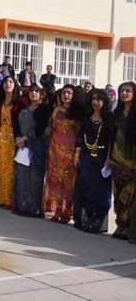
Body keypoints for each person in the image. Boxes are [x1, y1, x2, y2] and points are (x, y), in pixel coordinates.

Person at [73, 89, 114, 233]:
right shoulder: (87, 117)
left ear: (104, 101)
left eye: (98, 99)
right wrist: (77, 155)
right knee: (84, 186)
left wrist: (108, 158)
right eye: (93, 99)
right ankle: (86, 218)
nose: (95, 102)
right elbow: (80, 136)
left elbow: (111, 140)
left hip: (102, 157)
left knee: (100, 189)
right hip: (86, 156)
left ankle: (97, 220)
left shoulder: (109, 118)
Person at [44, 84, 85, 223]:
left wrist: (78, 152)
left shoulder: (78, 113)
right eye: (63, 93)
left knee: (69, 183)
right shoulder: (56, 110)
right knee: (55, 180)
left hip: (70, 152)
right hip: (55, 150)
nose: (66, 95)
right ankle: (56, 211)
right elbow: (50, 127)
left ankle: (67, 213)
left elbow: (80, 134)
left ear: (74, 96)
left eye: (69, 93)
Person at [12, 85, 51, 217]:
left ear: (41, 94)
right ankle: (20, 206)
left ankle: (34, 208)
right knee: (21, 176)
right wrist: (18, 138)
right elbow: (16, 126)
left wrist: (26, 138)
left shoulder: (44, 109)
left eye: (36, 91)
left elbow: (41, 128)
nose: (33, 93)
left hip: (36, 146)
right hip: (22, 146)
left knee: (35, 177)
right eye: (31, 91)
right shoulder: (23, 108)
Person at [0, 76, 23, 208]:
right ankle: (2, 199)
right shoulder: (0, 102)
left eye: (10, 82)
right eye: (5, 82)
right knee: (0, 168)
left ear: (15, 85)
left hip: (13, 138)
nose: (7, 84)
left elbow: (22, 121)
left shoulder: (20, 102)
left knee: (11, 169)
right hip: (0, 137)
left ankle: (11, 200)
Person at [110, 81, 136, 240]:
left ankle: (126, 226)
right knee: (118, 194)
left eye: (128, 91)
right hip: (116, 159)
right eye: (122, 91)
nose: (124, 93)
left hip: (132, 161)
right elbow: (111, 137)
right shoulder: (117, 114)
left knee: (129, 195)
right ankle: (119, 224)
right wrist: (108, 158)